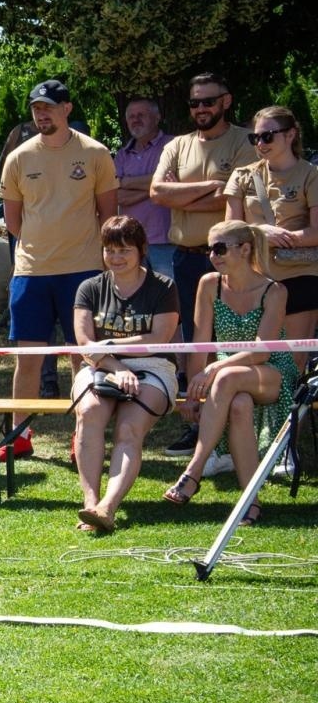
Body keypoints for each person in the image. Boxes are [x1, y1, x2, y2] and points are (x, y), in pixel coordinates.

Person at [0, 80, 118, 461]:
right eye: (35, 108)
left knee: (82, 358)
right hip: (31, 272)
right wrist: (40, 246)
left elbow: (108, 216)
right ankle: (19, 435)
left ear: (67, 108)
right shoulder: (19, 157)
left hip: (84, 272)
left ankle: (84, 435)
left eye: (48, 107)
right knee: (28, 359)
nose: (41, 114)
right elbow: (13, 221)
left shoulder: (95, 153)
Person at [163, 220, 299, 527]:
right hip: (228, 376)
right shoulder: (209, 284)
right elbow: (199, 344)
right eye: (209, 248)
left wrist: (212, 369)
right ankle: (250, 503)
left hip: (272, 370)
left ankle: (194, 471)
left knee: (226, 379)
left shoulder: (274, 290)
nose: (213, 254)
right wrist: (193, 397)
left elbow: (263, 351)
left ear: (246, 249)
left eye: (220, 248)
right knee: (238, 404)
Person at [151, 72, 259, 458]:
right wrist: (209, 188)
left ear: (226, 101)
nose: (200, 108)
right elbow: (156, 192)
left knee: (233, 344)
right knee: (195, 345)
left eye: (208, 101)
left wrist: (181, 198)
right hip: (186, 257)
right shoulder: (178, 145)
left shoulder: (247, 141)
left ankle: (236, 427)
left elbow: (235, 197)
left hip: (233, 260)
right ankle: (197, 427)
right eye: (194, 102)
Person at [69, 216, 180, 533]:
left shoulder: (164, 286)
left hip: (153, 366)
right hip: (100, 365)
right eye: (110, 250)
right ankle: (90, 503)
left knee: (129, 429)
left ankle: (108, 507)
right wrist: (116, 367)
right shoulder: (89, 288)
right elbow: (84, 343)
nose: (116, 257)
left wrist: (111, 344)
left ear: (142, 250)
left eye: (124, 250)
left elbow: (159, 337)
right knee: (88, 413)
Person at [224, 106, 318, 372]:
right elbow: (229, 229)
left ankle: (293, 415)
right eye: (255, 138)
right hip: (254, 277)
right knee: (253, 357)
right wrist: (262, 233)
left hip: (300, 275)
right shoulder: (242, 176)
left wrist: (278, 238)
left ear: (290, 135)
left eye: (268, 136)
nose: (260, 144)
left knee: (294, 361)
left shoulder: (311, 175)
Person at [113, 98, 175, 276]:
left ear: (157, 118)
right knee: (137, 298)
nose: (136, 120)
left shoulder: (173, 146)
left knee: (170, 297)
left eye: (141, 115)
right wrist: (157, 187)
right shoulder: (122, 155)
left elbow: (175, 184)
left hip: (166, 240)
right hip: (131, 243)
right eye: (131, 116)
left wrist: (126, 182)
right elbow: (117, 196)